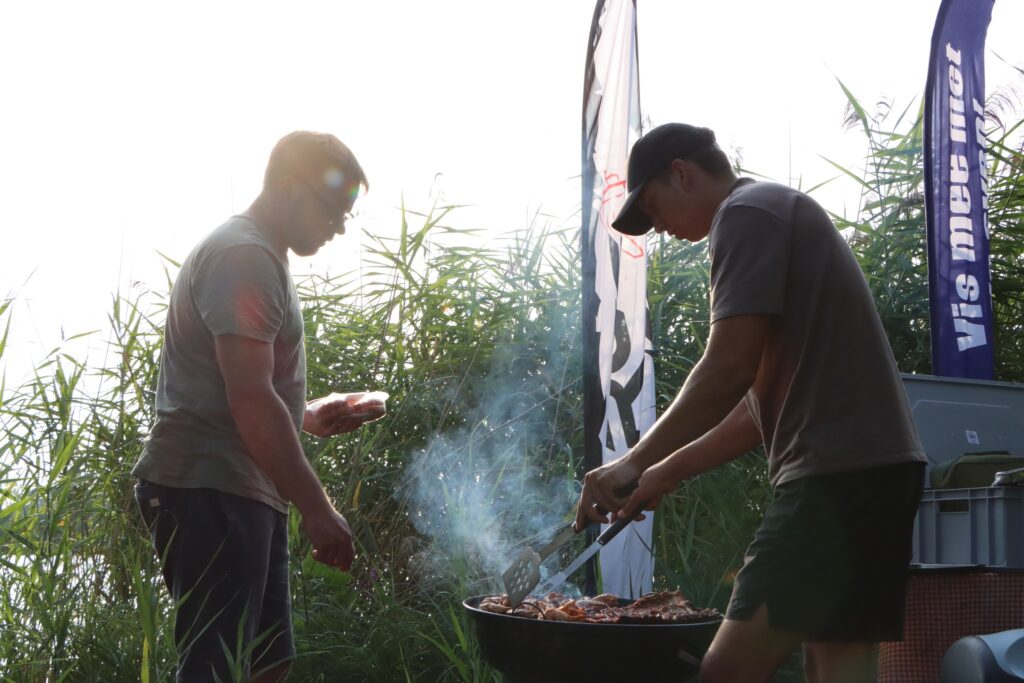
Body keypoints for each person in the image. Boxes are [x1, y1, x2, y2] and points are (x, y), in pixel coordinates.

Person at [573, 123, 927, 683]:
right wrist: (662, 473)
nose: (659, 228)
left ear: (681, 173)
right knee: (836, 670)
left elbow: (727, 367)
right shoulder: (771, 211)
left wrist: (630, 461)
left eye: (654, 208)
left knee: (728, 673)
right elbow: (756, 410)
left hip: (836, 479)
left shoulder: (746, 213)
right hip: (875, 472)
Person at [132, 131, 386, 682]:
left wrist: (309, 416)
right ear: (291, 188)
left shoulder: (262, 254)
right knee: (216, 670)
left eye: (346, 216)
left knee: (268, 662)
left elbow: (245, 387)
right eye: (331, 211)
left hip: (243, 488)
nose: (338, 228)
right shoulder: (242, 256)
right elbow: (248, 397)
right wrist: (317, 509)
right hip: (209, 487)